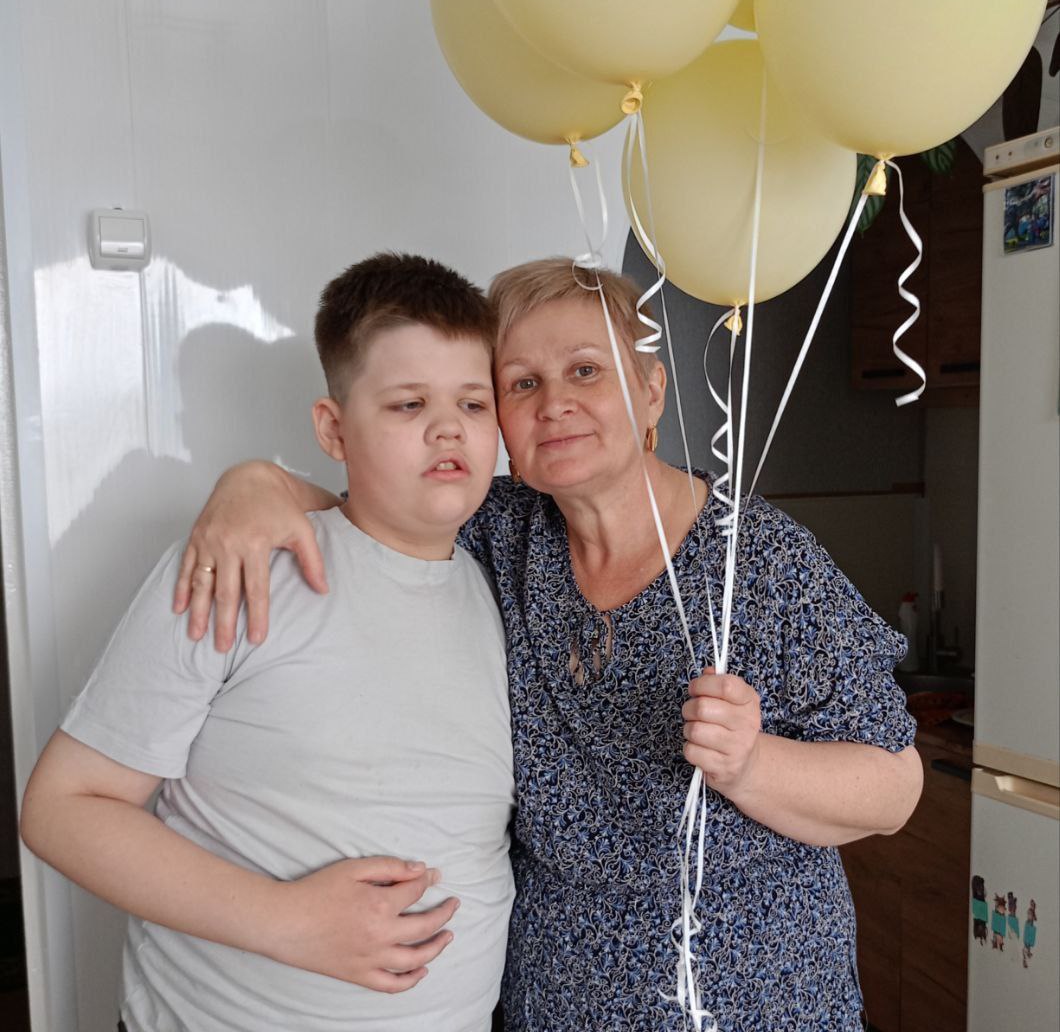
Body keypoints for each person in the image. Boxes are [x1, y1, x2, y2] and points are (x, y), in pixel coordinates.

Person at [174, 257, 924, 1031]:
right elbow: (377, 506)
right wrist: (255, 483)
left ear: (651, 391)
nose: (554, 403)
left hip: (755, 1001)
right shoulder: (500, 529)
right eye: (523, 383)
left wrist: (753, 764)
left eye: (585, 371)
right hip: (551, 1002)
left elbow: (895, 788)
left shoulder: (762, 559)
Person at [20, 253, 515, 1032]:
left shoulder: (498, 587)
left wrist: (265, 476)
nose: (448, 427)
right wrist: (289, 921)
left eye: (474, 403)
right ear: (333, 429)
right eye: (408, 403)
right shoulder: (244, 565)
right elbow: (63, 808)